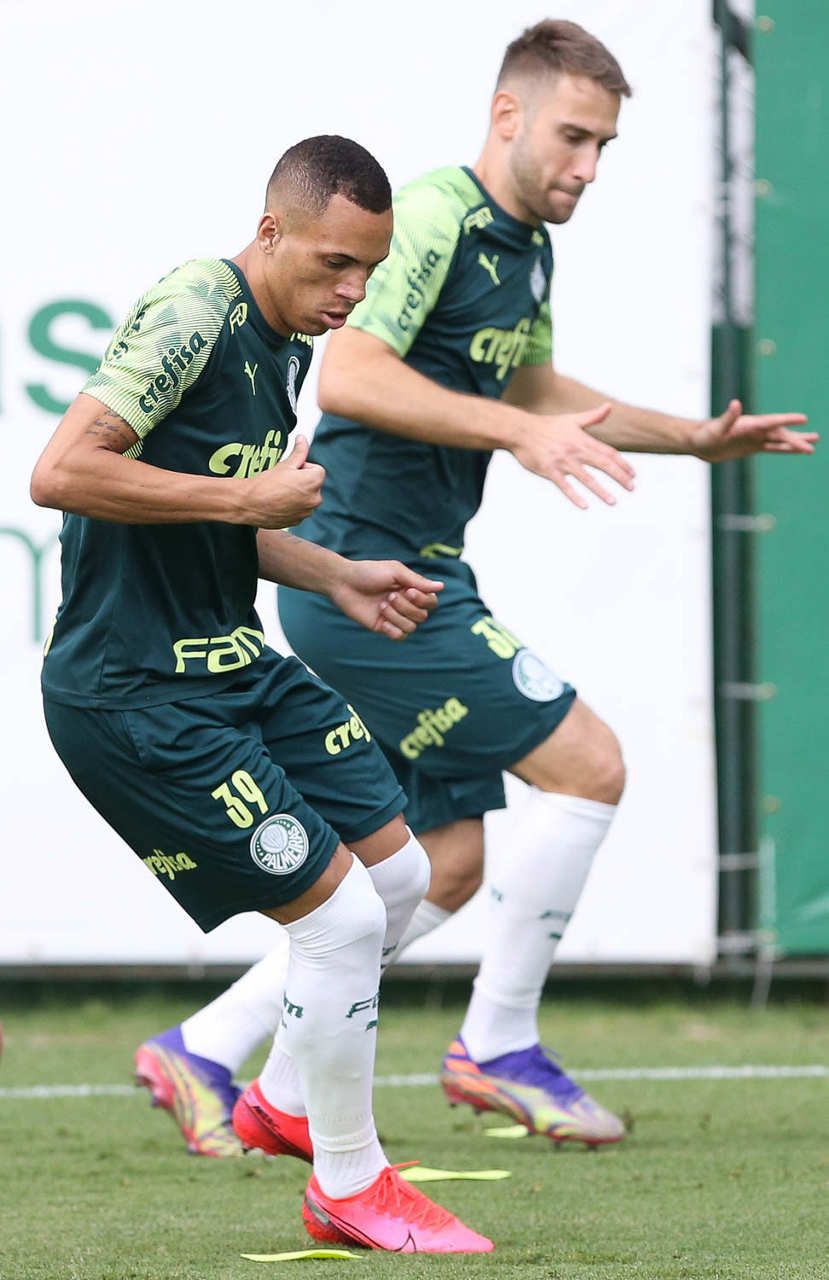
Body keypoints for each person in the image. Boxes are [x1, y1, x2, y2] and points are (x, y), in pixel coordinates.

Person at [136, 20, 817, 1159]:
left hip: (416, 573)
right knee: (588, 764)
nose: (587, 166)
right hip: (364, 575)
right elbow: (353, 375)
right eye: (572, 137)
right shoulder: (434, 216)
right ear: (507, 116)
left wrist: (692, 437)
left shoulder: (525, 248)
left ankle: (208, 1045)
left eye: (603, 146)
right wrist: (515, 433)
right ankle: (496, 1044)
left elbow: (536, 389)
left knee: (443, 866)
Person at [31, 135, 494, 1255]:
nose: (353, 292)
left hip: (230, 663)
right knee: (339, 918)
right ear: (272, 229)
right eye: (336, 264)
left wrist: (335, 570)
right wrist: (248, 504)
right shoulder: (198, 306)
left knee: (401, 876)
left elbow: (222, 514)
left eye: (370, 272)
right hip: (133, 691)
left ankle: (285, 1100)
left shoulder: (284, 340)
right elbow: (62, 472)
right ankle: (348, 1180)